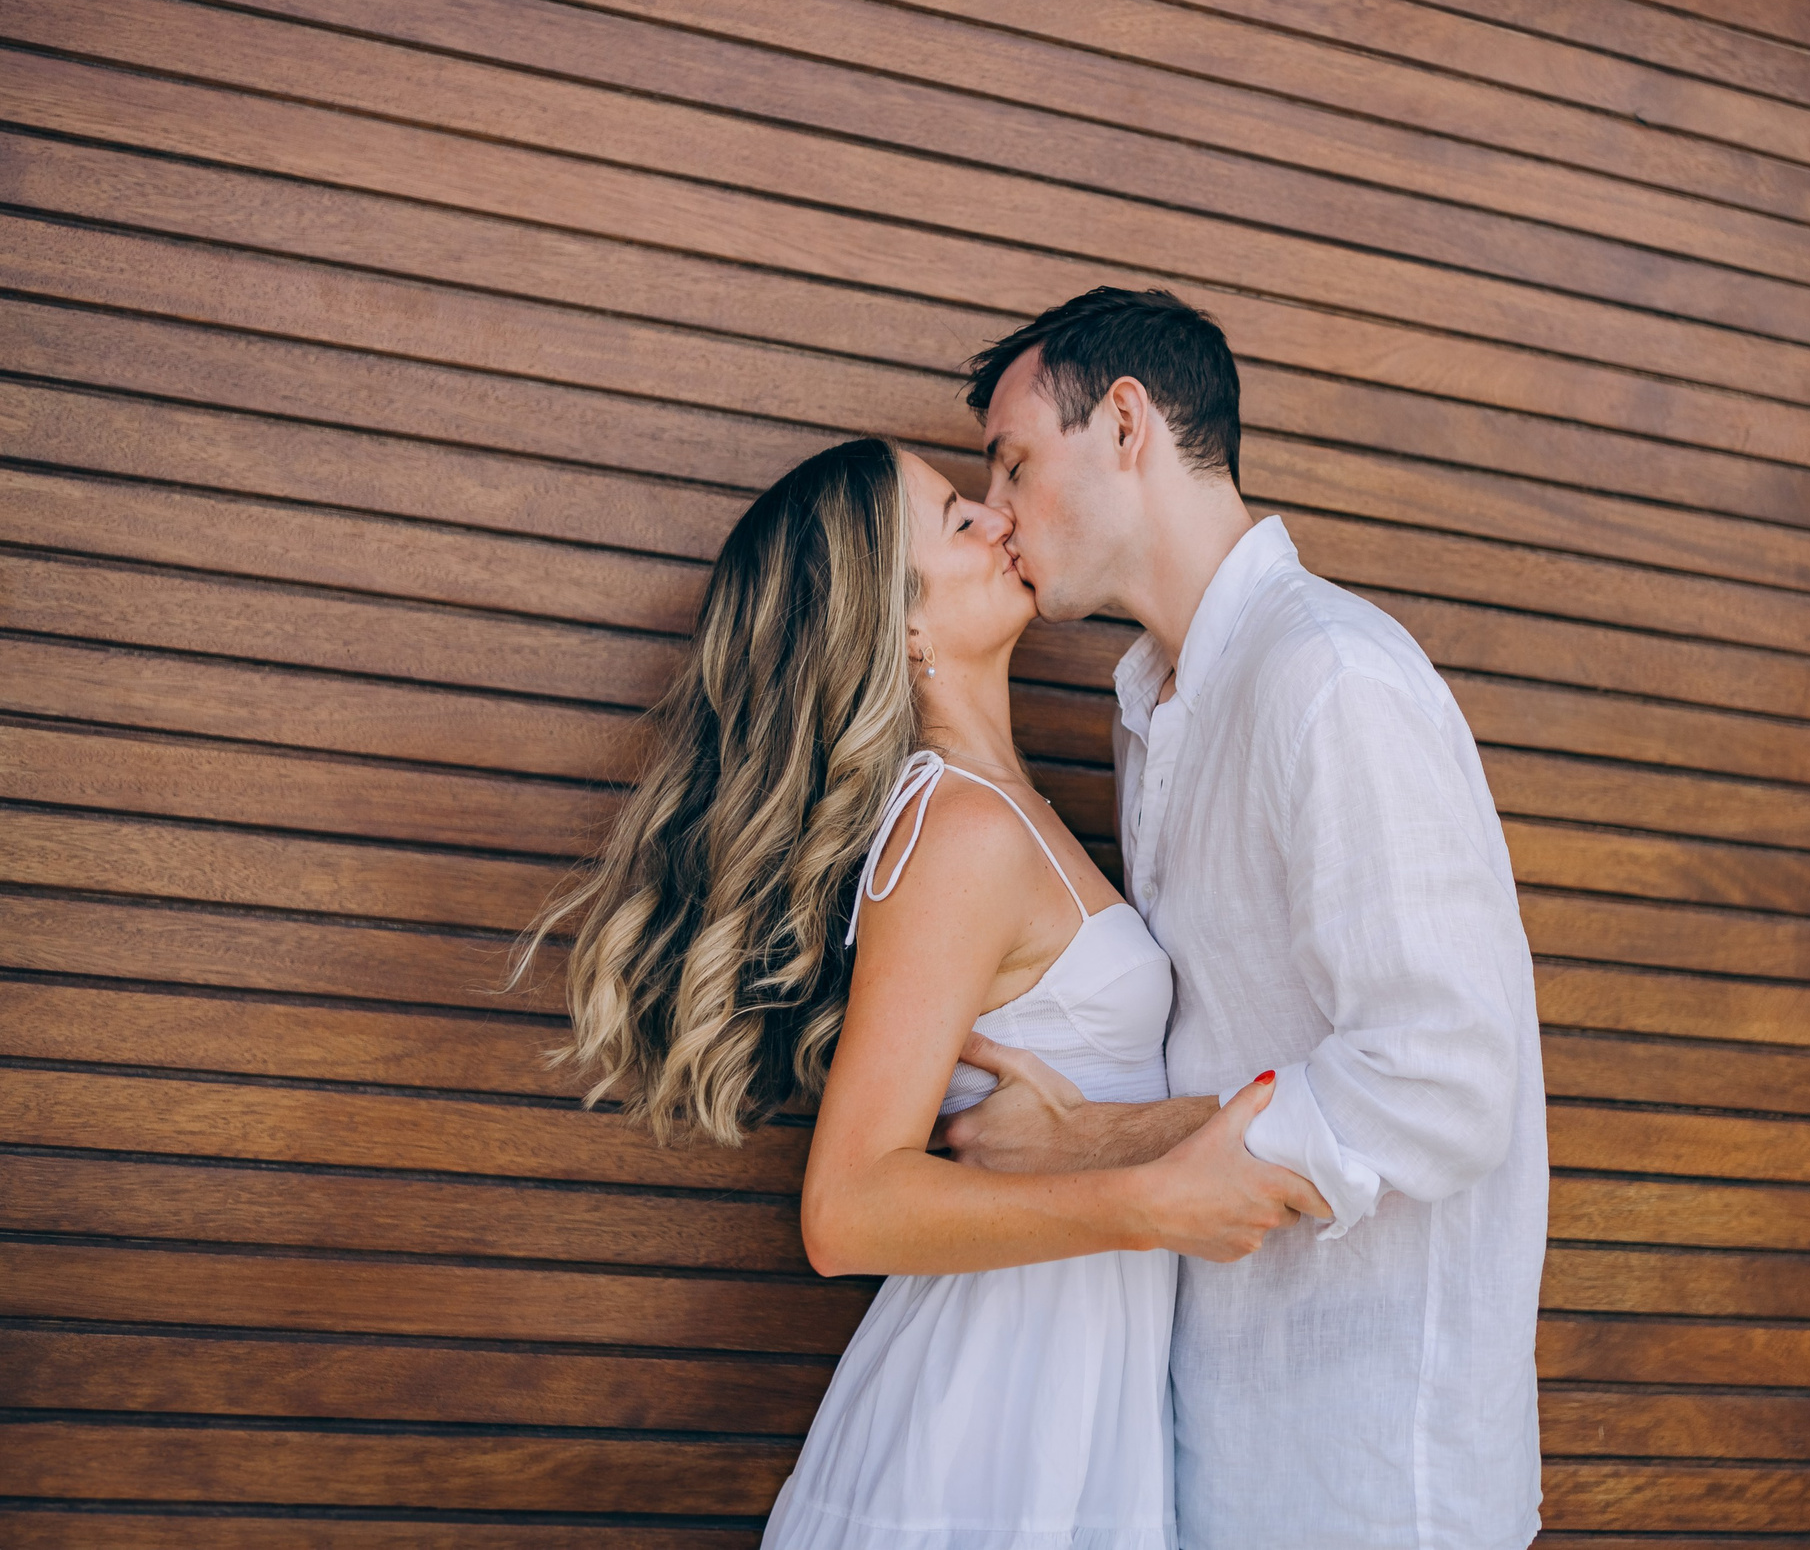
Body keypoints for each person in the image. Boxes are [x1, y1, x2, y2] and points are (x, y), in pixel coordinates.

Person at [517, 435, 1320, 1550]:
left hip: (1069, 1383)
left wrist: (1095, 1144)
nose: (999, 518)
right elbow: (845, 1213)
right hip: (993, 1409)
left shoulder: (1004, 810)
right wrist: (1142, 1198)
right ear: (894, 623)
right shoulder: (957, 830)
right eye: (958, 519)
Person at [950, 288, 1548, 1550]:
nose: (994, 512)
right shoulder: (1155, 707)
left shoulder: (1327, 677)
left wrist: (1092, 1143)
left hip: (1373, 1474)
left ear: (1125, 424)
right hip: (1214, 1439)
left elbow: (1442, 1080)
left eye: (1012, 461)